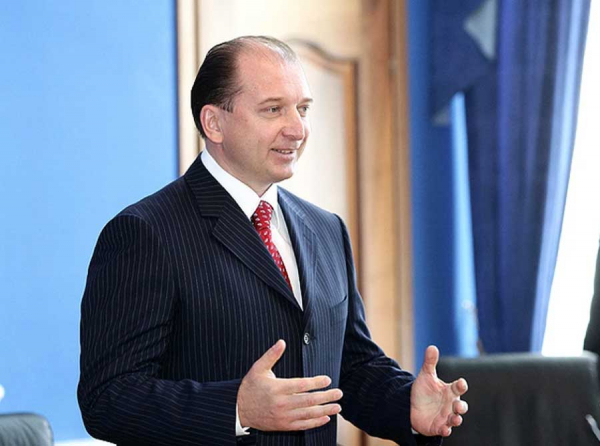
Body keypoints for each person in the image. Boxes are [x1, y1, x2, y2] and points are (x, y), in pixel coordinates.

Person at [78, 36, 468, 446]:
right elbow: (107, 399)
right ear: (214, 123)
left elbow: (349, 368)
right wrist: (237, 409)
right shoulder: (146, 232)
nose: (298, 129)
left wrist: (406, 406)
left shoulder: (326, 229)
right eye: (273, 109)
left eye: (303, 109)